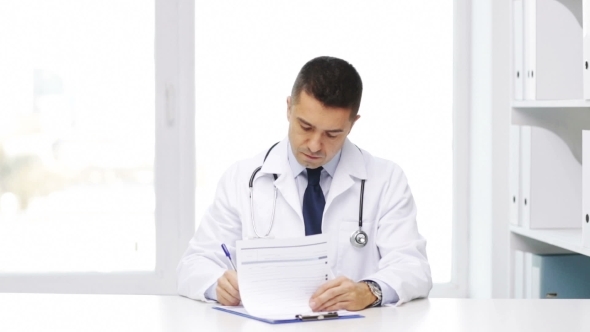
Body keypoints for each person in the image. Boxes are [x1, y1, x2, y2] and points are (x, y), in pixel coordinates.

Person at [177, 56, 432, 310]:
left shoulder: (385, 179)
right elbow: (194, 264)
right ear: (289, 108)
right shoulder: (242, 179)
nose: (314, 145)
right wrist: (217, 284)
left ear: (352, 124)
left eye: (332, 134)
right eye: (305, 126)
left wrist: (369, 291)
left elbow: (413, 267)